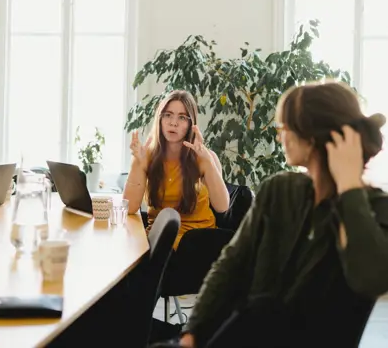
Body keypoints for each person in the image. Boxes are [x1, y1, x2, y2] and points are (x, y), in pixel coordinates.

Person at [176, 80, 388, 348]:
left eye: (284, 127)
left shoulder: (375, 207)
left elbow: (370, 279)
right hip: (244, 334)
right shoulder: (279, 190)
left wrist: (349, 187)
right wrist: (192, 333)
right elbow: (231, 264)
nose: (279, 136)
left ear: (311, 136)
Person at [123, 90, 230, 250]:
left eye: (182, 117)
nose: (173, 123)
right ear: (159, 119)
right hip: (160, 240)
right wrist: (137, 164)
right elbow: (130, 208)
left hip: (197, 243)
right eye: (167, 115)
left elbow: (222, 207)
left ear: (191, 124)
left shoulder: (205, 157)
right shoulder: (147, 156)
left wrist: (208, 162)